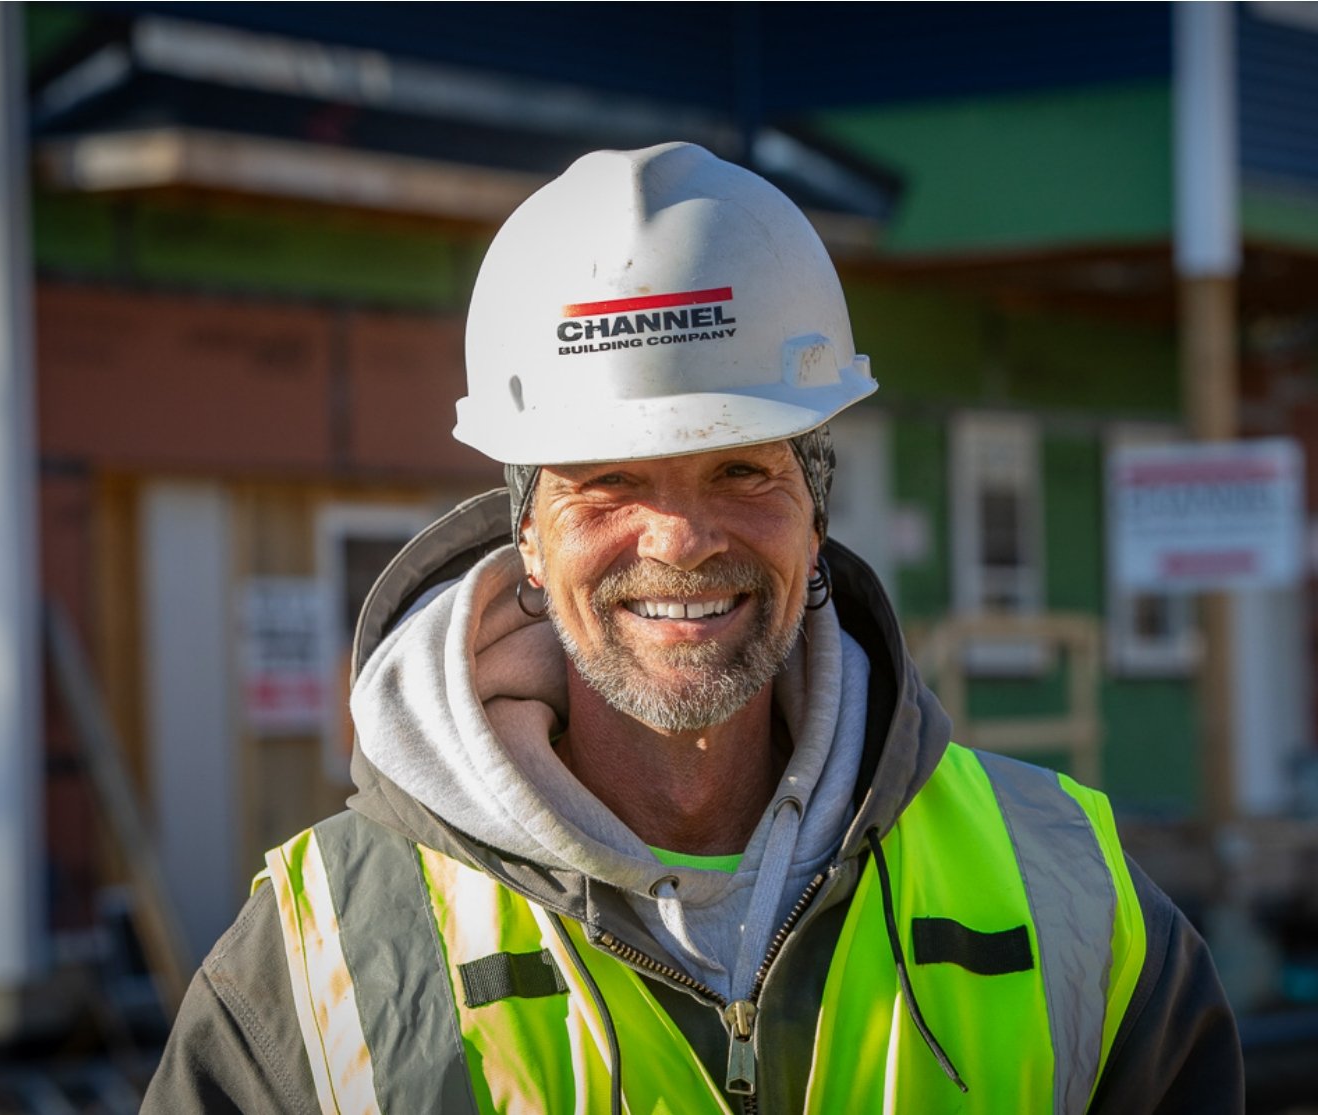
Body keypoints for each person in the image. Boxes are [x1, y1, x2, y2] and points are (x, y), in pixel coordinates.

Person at [144, 142, 1242, 1113]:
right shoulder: (318, 968)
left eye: (739, 467)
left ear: (816, 510)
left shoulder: (1073, 908)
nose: (678, 539)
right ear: (526, 535)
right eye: (608, 482)